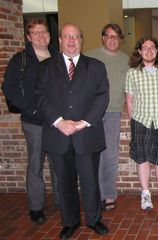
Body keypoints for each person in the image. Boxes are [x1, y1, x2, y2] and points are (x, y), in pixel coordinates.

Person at [35, 23, 109, 239]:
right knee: (64, 182)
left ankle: (94, 219)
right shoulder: (46, 67)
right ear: (59, 40)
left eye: (75, 36)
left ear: (81, 40)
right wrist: (59, 122)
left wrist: (84, 122)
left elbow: (102, 96)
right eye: (67, 36)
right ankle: (70, 221)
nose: (71, 40)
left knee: (90, 181)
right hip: (58, 135)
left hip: (86, 134)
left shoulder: (96, 66)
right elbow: (40, 96)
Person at [2, 18, 59, 225]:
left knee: (58, 162)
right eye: (35, 33)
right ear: (28, 37)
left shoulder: (58, 56)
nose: (41, 36)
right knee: (36, 163)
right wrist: (31, 109)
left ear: (50, 35)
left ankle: (61, 201)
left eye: (44, 32)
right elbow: (9, 88)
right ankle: (36, 207)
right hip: (34, 121)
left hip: (57, 121)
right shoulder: (21, 59)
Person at [125, 37, 158, 213]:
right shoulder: (132, 73)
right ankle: (146, 194)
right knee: (143, 159)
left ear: (157, 50)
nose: (149, 51)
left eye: (152, 48)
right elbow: (129, 100)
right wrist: (134, 121)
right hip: (141, 121)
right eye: (145, 48)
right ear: (139, 51)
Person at [86, 23, 129, 211]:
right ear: (103, 37)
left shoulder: (126, 60)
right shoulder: (90, 56)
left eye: (116, 36)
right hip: (91, 113)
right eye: (108, 36)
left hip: (113, 112)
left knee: (110, 156)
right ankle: (93, 193)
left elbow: (131, 88)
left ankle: (109, 194)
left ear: (120, 39)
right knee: (91, 155)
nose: (112, 39)